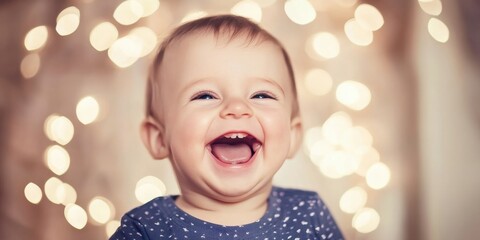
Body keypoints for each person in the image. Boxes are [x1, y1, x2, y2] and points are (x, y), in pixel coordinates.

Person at [110, 14, 344, 240]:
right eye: (205, 96)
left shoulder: (309, 214)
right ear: (159, 138)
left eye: (261, 95)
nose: (237, 107)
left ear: (293, 135)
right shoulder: (145, 229)